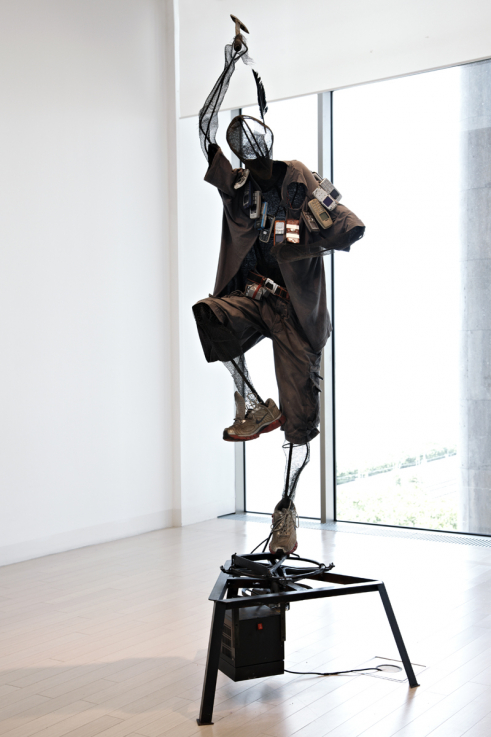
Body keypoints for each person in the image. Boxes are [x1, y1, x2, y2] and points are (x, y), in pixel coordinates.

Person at [193, 30, 365, 555]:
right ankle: (252, 404)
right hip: (252, 298)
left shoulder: (298, 179)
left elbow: (345, 221)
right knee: (210, 314)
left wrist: (324, 236)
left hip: (294, 314)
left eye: (254, 142)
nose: (247, 147)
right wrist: (230, 65)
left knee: (301, 424)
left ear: (269, 139)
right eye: (241, 146)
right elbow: (205, 127)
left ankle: (285, 511)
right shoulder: (238, 188)